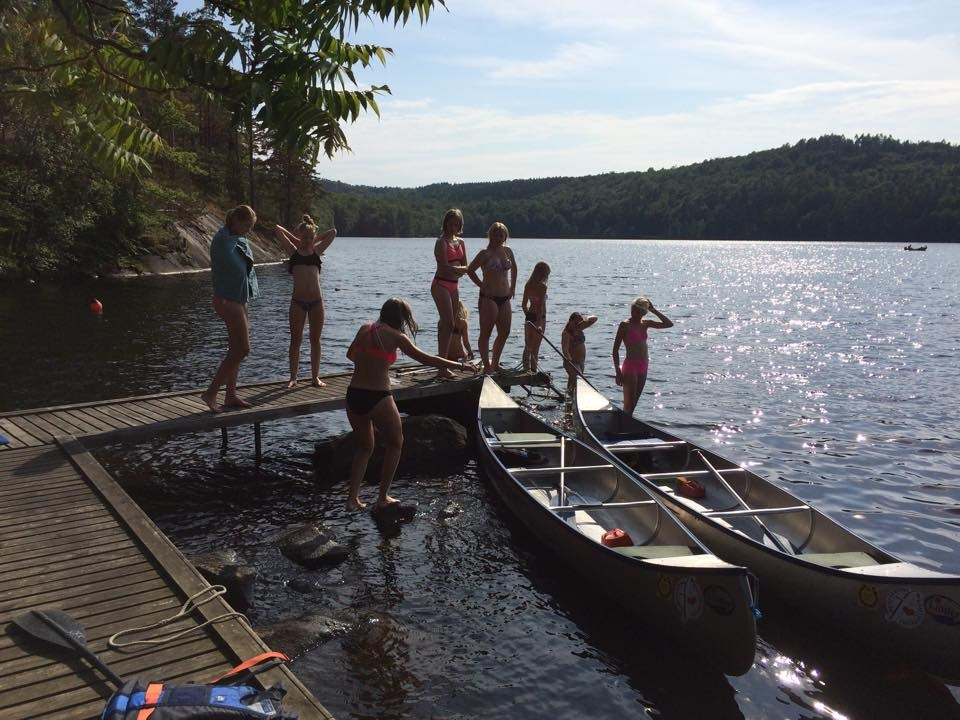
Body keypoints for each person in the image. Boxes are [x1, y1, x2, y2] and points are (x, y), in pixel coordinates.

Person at [345, 298, 475, 512]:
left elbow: (350, 355)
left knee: (364, 447)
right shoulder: (397, 336)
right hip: (378, 396)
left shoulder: (364, 328)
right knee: (396, 443)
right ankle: (382, 497)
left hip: (354, 395)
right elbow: (427, 359)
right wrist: (460, 366)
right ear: (401, 318)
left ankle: (352, 499)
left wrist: (373, 362)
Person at [201, 204, 259, 413]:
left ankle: (230, 395)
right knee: (243, 349)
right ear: (235, 221)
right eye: (248, 225)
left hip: (239, 297)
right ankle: (210, 393)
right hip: (227, 299)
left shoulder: (238, 239)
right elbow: (225, 261)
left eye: (252, 226)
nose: (249, 230)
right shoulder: (223, 239)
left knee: (235, 348)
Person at [274, 215, 337, 388]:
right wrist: (296, 239)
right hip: (298, 303)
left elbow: (333, 232)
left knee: (315, 340)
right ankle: (293, 378)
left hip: (317, 302)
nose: (307, 241)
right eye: (304, 237)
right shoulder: (293, 252)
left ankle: (315, 377)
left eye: (310, 238)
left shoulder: (316, 251)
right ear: (299, 237)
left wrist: (315, 238)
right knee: (295, 341)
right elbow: (278, 229)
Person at [466, 222, 517, 374]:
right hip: (489, 297)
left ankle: (495, 363)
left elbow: (514, 268)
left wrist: (513, 288)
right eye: (495, 234)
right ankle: (487, 367)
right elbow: (470, 270)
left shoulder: (508, 251)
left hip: (504, 297)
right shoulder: (484, 254)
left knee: (505, 332)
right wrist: (482, 286)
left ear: (505, 237)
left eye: (501, 235)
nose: (498, 237)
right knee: (486, 332)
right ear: (490, 235)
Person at [612, 296, 674, 416]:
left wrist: (654, 310)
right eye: (633, 310)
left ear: (644, 312)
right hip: (630, 366)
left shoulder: (646, 324)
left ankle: (627, 425)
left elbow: (668, 324)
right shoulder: (624, 325)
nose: (634, 313)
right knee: (628, 404)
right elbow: (615, 350)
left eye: (637, 311)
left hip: (643, 365)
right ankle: (623, 426)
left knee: (634, 403)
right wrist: (618, 371)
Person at [431, 208, 468, 378]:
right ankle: (442, 367)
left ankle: (443, 364)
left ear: (460, 225)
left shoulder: (460, 242)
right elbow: (445, 267)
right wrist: (460, 269)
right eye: (450, 224)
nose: (453, 227)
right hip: (441, 284)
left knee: (450, 325)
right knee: (447, 323)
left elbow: (465, 266)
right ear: (445, 223)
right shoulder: (441, 242)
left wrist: (459, 270)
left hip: (454, 285)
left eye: (456, 224)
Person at [521, 261, 550, 371]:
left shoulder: (528, 285)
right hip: (540, 317)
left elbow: (524, 305)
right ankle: (533, 370)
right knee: (536, 347)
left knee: (528, 345)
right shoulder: (542, 287)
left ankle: (525, 369)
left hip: (530, 316)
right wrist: (539, 323)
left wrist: (529, 317)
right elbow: (540, 307)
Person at [561, 311, 598, 390]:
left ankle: (569, 396)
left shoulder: (579, 328)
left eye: (578, 323)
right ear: (570, 321)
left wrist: (585, 319)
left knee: (573, 381)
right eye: (575, 323)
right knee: (578, 380)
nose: (576, 325)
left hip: (581, 362)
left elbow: (595, 319)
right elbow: (565, 349)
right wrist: (570, 361)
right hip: (572, 362)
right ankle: (571, 396)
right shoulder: (566, 333)